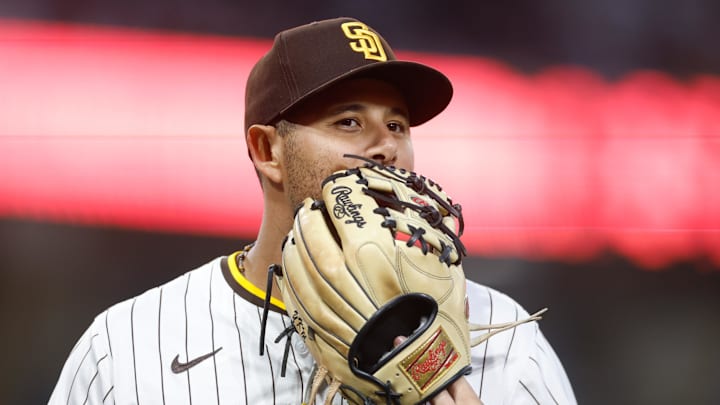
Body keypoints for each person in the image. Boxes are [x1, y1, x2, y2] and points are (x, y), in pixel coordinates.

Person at [48, 17, 576, 405]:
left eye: (397, 125)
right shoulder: (129, 346)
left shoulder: (503, 336)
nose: (384, 147)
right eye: (348, 122)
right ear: (266, 150)